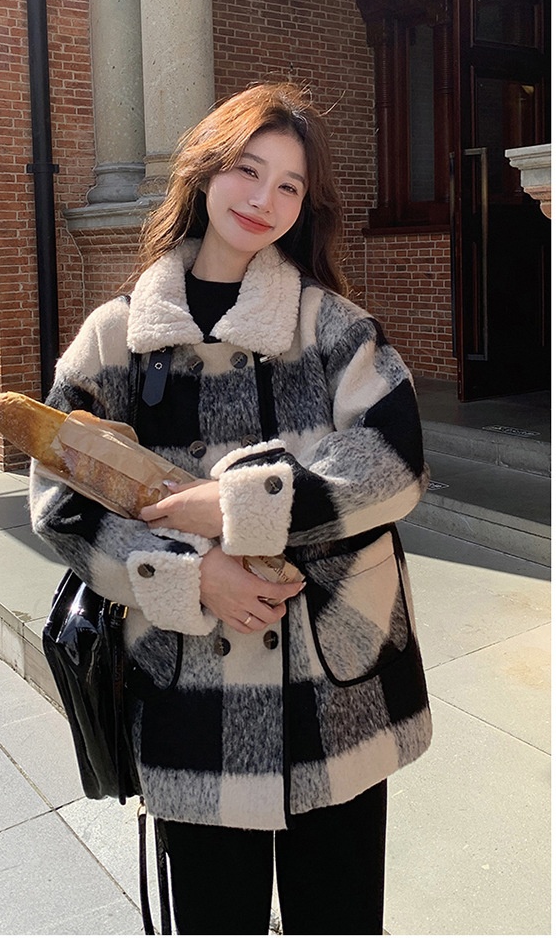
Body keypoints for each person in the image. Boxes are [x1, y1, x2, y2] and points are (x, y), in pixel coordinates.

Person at [30, 82, 432, 935]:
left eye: (289, 184)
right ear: (206, 171)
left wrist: (240, 508)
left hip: (334, 695)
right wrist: (188, 574)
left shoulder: (334, 328)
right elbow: (61, 498)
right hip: (190, 699)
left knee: (341, 922)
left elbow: (396, 466)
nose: (263, 199)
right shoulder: (116, 336)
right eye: (248, 170)